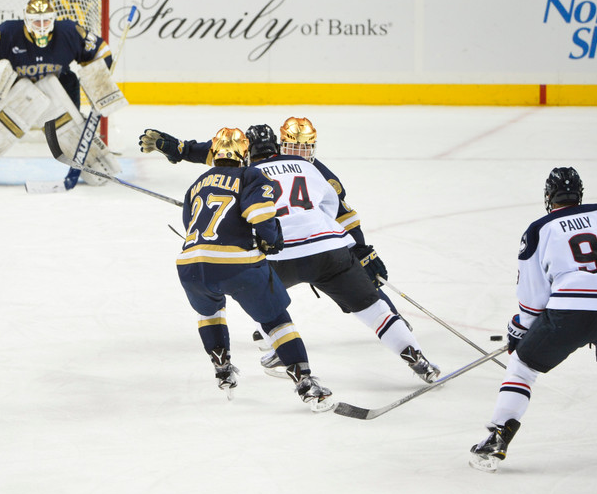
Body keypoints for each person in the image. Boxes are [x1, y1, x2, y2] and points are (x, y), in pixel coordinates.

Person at [140, 118, 441, 384]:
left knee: (257, 294)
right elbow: (339, 211)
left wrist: (181, 150)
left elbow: (218, 157)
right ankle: (415, 356)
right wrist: (361, 251)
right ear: (280, 145)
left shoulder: (244, 171)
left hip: (279, 255)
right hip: (328, 250)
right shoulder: (309, 167)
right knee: (372, 306)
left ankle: (275, 348)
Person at [469, 167, 597, 473]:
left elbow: (534, 297)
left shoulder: (539, 228)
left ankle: (497, 437)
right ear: (579, 193)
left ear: (548, 196)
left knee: (523, 366)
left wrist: (519, 328)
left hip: (571, 309)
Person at [177, 127, 333, 411]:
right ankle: (306, 385)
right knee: (276, 320)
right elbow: (260, 215)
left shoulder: (196, 184)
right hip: (237, 264)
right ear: (243, 154)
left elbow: (190, 225)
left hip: (190, 265)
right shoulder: (249, 175)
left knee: (209, 310)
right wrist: (272, 240)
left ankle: (222, 367)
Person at [0, 0, 125, 188]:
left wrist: (99, 79)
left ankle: (97, 167)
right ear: (26, 21)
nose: (42, 26)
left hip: (60, 89)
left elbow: (101, 51)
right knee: (2, 125)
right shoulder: (7, 32)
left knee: (70, 127)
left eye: (46, 21)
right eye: (37, 21)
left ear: (54, 19)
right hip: (20, 93)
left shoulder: (68, 31)